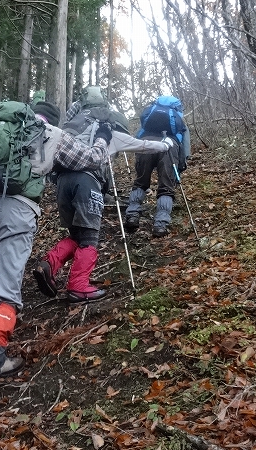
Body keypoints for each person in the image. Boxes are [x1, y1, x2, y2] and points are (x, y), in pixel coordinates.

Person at [0, 96, 113, 381]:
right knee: (7, 288)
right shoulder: (52, 134)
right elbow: (91, 159)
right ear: (53, 120)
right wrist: (103, 139)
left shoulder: (0, 128)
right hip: (15, 208)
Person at [33, 87, 175, 303]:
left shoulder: (72, 129)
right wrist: (165, 144)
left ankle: (49, 265)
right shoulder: (108, 131)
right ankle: (78, 286)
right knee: (89, 237)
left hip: (61, 183)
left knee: (76, 235)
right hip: (87, 183)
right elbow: (143, 146)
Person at [124, 95, 191, 237]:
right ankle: (161, 223)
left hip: (146, 144)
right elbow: (185, 146)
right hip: (169, 147)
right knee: (166, 186)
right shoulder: (178, 118)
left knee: (141, 182)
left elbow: (139, 134)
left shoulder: (151, 114)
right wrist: (181, 165)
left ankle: (132, 215)